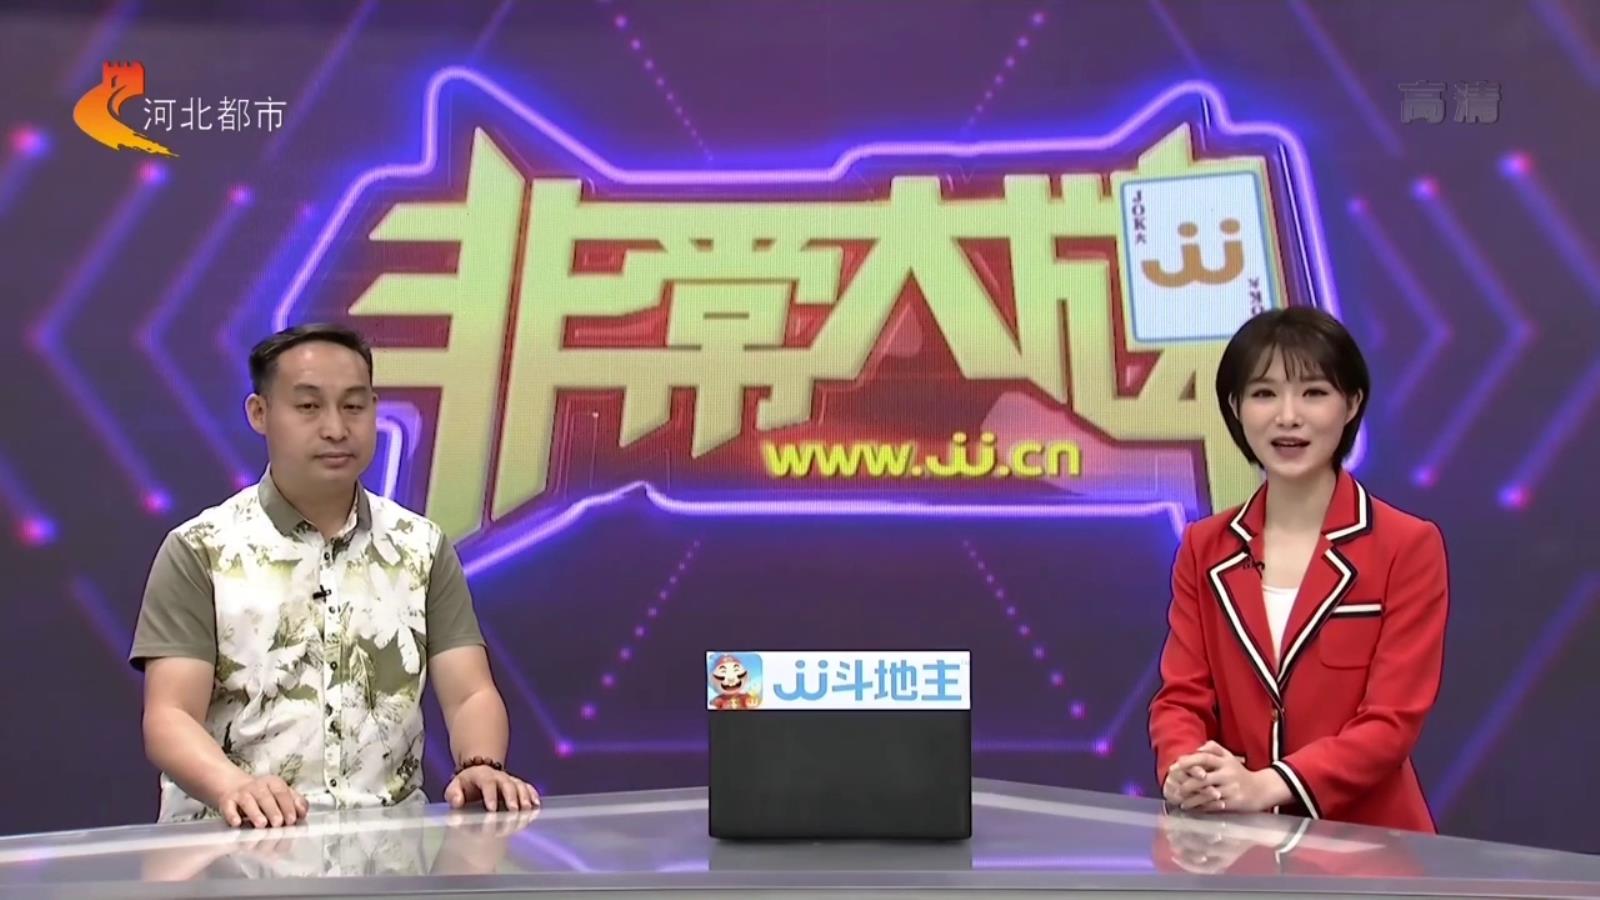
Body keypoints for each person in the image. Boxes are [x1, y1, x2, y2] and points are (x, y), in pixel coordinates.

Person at [130, 323, 538, 828]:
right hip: (231, 843)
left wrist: (480, 764)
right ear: (259, 414)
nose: (335, 428)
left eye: (353, 406)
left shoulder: (421, 547)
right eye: (308, 406)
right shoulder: (201, 550)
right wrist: (234, 785)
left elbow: (470, 692)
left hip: (385, 850)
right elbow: (170, 716)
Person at [1148, 306, 1449, 832]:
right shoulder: (1204, 546)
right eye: (1264, 394)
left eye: (1313, 392)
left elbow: (1391, 722)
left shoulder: (1407, 545)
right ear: (1235, 407)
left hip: (1371, 845)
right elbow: (1182, 697)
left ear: (1351, 404)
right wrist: (1184, 769)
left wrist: (1266, 785)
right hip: (1234, 843)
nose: (1288, 416)